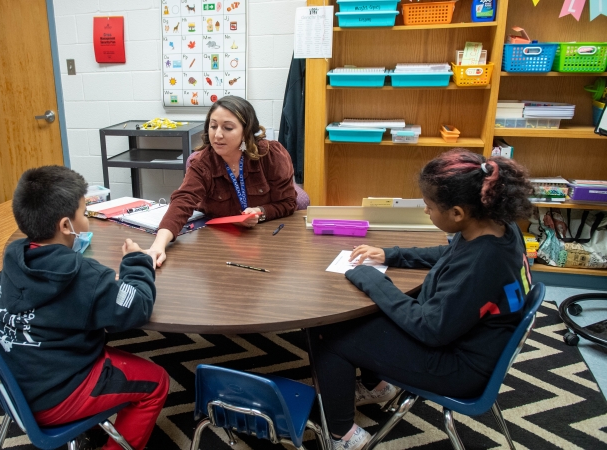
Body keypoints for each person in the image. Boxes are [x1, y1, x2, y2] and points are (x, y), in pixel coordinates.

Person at [310, 149, 534, 450]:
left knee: (328, 331)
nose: (426, 212)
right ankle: (378, 386)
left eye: (429, 207)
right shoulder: (496, 229)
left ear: (457, 213)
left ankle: (344, 436)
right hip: (469, 339)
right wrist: (392, 254)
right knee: (360, 316)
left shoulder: (483, 265)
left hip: (459, 366)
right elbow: (451, 254)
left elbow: (429, 327)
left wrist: (375, 280)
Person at [0, 166, 168, 450]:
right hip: (55, 396)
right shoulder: (83, 276)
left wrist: (103, 287)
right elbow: (138, 307)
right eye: (84, 213)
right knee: (157, 381)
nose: (86, 219)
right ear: (64, 225)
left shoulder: (14, 257)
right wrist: (137, 261)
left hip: (15, 385)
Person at [147, 95, 297, 266]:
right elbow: (183, 201)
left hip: (266, 242)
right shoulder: (204, 163)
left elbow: (288, 203)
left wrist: (260, 211)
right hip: (217, 243)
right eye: (213, 126)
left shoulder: (269, 155)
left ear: (245, 132)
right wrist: (158, 246)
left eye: (227, 128)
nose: (217, 135)